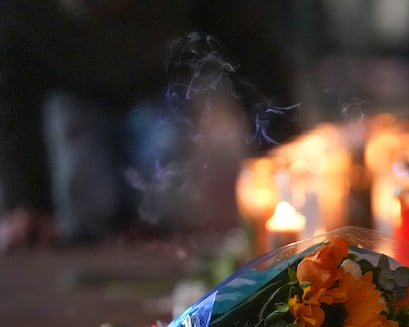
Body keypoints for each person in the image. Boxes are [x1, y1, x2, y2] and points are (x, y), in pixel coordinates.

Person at [0, 0, 299, 251]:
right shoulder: (24, 14)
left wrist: (282, 152)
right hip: (74, 97)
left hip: (157, 87)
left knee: (167, 190)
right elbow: (14, 99)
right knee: (83, 197)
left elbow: (250, 52)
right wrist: (26, 201)